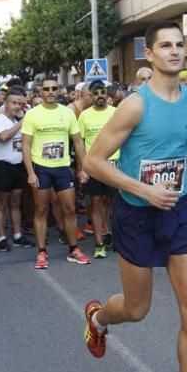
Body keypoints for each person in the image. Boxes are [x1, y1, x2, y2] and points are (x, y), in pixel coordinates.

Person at [82, 21, 187, 372]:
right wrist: (143, 191)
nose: (174, 51)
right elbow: (93, 161)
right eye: (165, 46)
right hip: (135, 213)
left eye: (179, 45)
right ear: (150, 54)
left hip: (180, 212)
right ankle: (98, 320)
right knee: (136, 309)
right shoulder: (134, 106)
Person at [22, 76, 91, 269]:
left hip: (62, 167)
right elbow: (26, 146)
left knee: (69, 209)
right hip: (41, 168)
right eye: (46, 89)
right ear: (40, 92)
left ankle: (73, 249)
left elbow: (78, 142)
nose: (50, 92)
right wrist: (30, 172)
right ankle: (42, 252)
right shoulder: (32, 114)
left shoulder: (67, 113)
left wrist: (83, 168)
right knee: (41, 210)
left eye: (54, 88)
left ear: (59, 90)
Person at [77, 79, 119, 259]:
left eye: (103, 92)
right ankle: (100, 243)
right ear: (91, 96)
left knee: (117, 204)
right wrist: (82, 169)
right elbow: (80, 144)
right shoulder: (84, 116)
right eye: (96, 93)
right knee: (95, 203)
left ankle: (118, 239)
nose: (100, 95)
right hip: (94, 166)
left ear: (107, 94)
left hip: (115, 164)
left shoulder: (117, 113)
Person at [0, 87, 34, 251]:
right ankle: (2, 237)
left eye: (20, 104)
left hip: (19, 166)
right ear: (6, 103)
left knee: (16, 203)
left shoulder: (18, 120)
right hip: (3, 166)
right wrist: (22, 122)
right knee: (1, 203)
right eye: (14, 103)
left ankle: (17, 235)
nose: (17, 107)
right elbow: (3, 137)